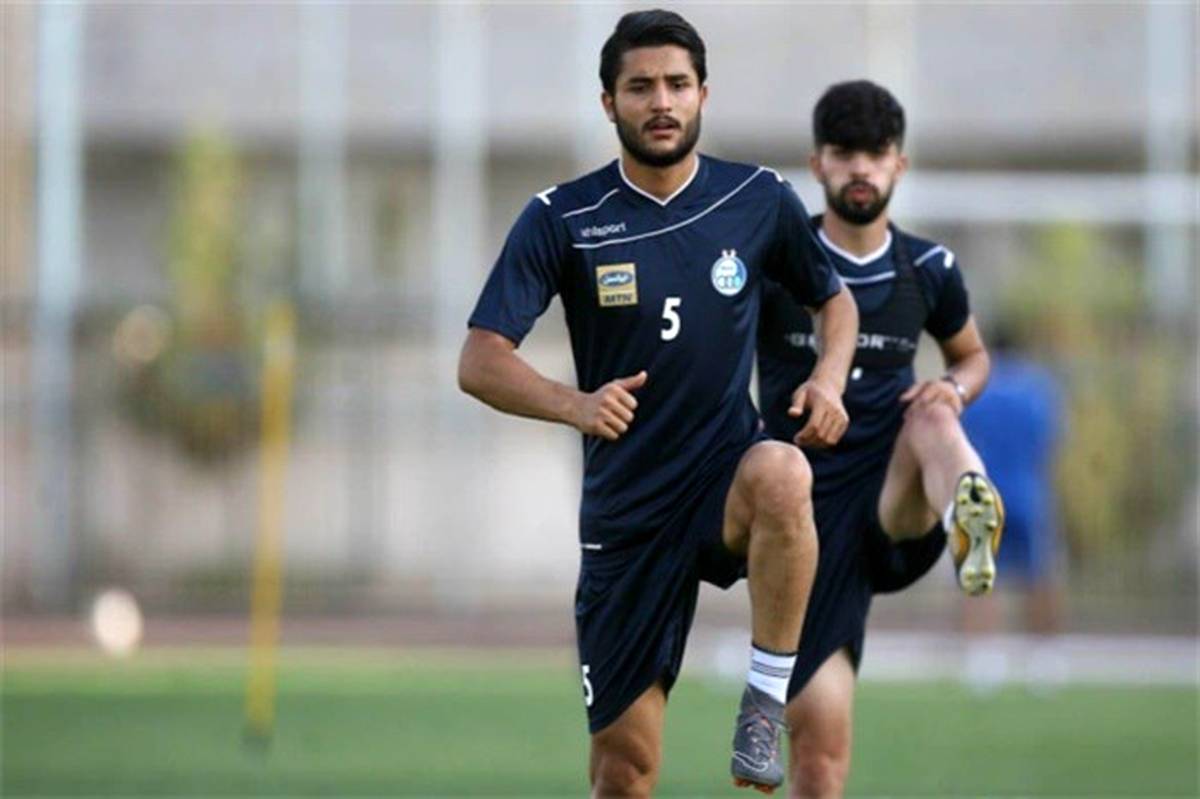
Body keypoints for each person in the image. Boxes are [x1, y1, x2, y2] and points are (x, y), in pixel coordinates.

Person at [457, 10, 858, 796]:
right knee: (625, 771)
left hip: (722, 478)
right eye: (641, 87)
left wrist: (829, 379)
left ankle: (763, 701)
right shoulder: (562, 217)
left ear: (704, 93)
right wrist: (575, 404)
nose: (662, 101)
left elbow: (834, 301)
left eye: (678, 84)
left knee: (784, 473)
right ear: (609, 103)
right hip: (628, 512)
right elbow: (480, 359)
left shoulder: (757, 198)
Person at [755, 80, 1005, 797]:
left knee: (933, 412)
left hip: (897, 496)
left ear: (899, 163)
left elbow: (972, 356)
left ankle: (968, 513)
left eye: (876, 153)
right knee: (818, 759)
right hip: (805, 515)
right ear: (818, 163)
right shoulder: (777, 261)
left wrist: (953, 386)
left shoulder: (928, 269)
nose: (860, 168)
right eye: (844, 153)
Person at [960, 325, 1066, 691]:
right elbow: (1050, 442)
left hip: (983, 493)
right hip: (1028, 492)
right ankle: (1045, 657)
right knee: (1039, 576)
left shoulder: (977, 389)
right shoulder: (1037, 389)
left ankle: (984, 658)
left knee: (979, 575)